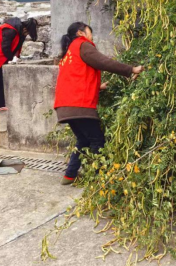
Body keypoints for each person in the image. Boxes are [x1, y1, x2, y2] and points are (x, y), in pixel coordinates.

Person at [54, 22, 144, 186]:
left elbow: (74, 78)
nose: (92, 35)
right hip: (79, 105)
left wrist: (97, 87)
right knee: (98, 141)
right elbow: (104, 62)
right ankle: (99, 178)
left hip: (64, 106)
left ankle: (69, 175)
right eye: (90, 31)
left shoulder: (68, 53)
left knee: (82, 139)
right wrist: (131, 69)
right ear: (81, 32)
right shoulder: (83, 45)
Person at [0, 18, 38, 116]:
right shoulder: (10, 30)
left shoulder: (20, 32)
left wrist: (16, 58)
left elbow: (17, 47)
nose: (27, 34)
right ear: (25, 28)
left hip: (0, 58)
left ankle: (0, 105)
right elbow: (5, 47)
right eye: (27, 32)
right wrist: (11, 58)